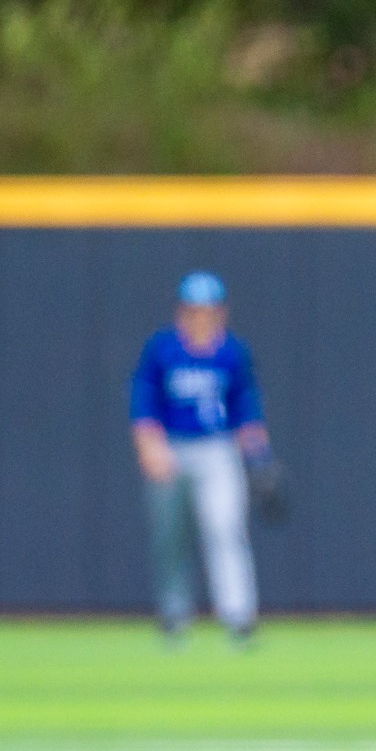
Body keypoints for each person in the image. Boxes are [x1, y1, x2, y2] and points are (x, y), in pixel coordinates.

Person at [129, 271, 270, 646]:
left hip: (217, 448)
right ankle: (174, 615)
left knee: (225, 527)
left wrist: (257, 454)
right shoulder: (163, 350)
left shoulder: (231, 353)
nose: (201, 317)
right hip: (172, 447)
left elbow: (246, 406)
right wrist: (148, 445)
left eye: (207, 310)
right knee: (171, 537)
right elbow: (144, 402)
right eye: (194, 310)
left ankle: (239, 616)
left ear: (220, 312)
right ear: (182, 312)